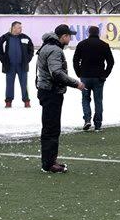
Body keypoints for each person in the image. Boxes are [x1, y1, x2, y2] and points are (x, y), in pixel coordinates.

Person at [36, 24, 85, 173]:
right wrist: (76, 83)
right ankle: (49, 164)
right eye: (69, 36)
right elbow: (56, 73)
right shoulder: (55, 50)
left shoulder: (47, 46)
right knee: (52, 128)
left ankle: (50, 160)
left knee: (49, 127)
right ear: (64, 36)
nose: (70, 39)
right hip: (51, 92)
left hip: (46, 90)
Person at [72, 25, 115, 131]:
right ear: (98, 33)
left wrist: (79, 73)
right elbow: (111, 61)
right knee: (98, 100)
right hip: (99, 77)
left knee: (85, 99)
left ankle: (87, 120)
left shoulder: (82, 44)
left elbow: (75, 60)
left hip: (85, 77)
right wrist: (105, 74)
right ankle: (98, 123)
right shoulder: (104, 45)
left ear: (89, 33)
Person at [0, 21, 34, 108]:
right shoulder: (4, 38)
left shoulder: (25, 38)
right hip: (10, 66)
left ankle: (26, 101)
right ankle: (8, 101)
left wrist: (27, 59)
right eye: (19, 27)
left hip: (22, 65)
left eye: (21, 27)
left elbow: (31, 49)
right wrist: (3, 60)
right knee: (9, 84)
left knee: (24, 84)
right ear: (13, 28)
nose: (21, 29)